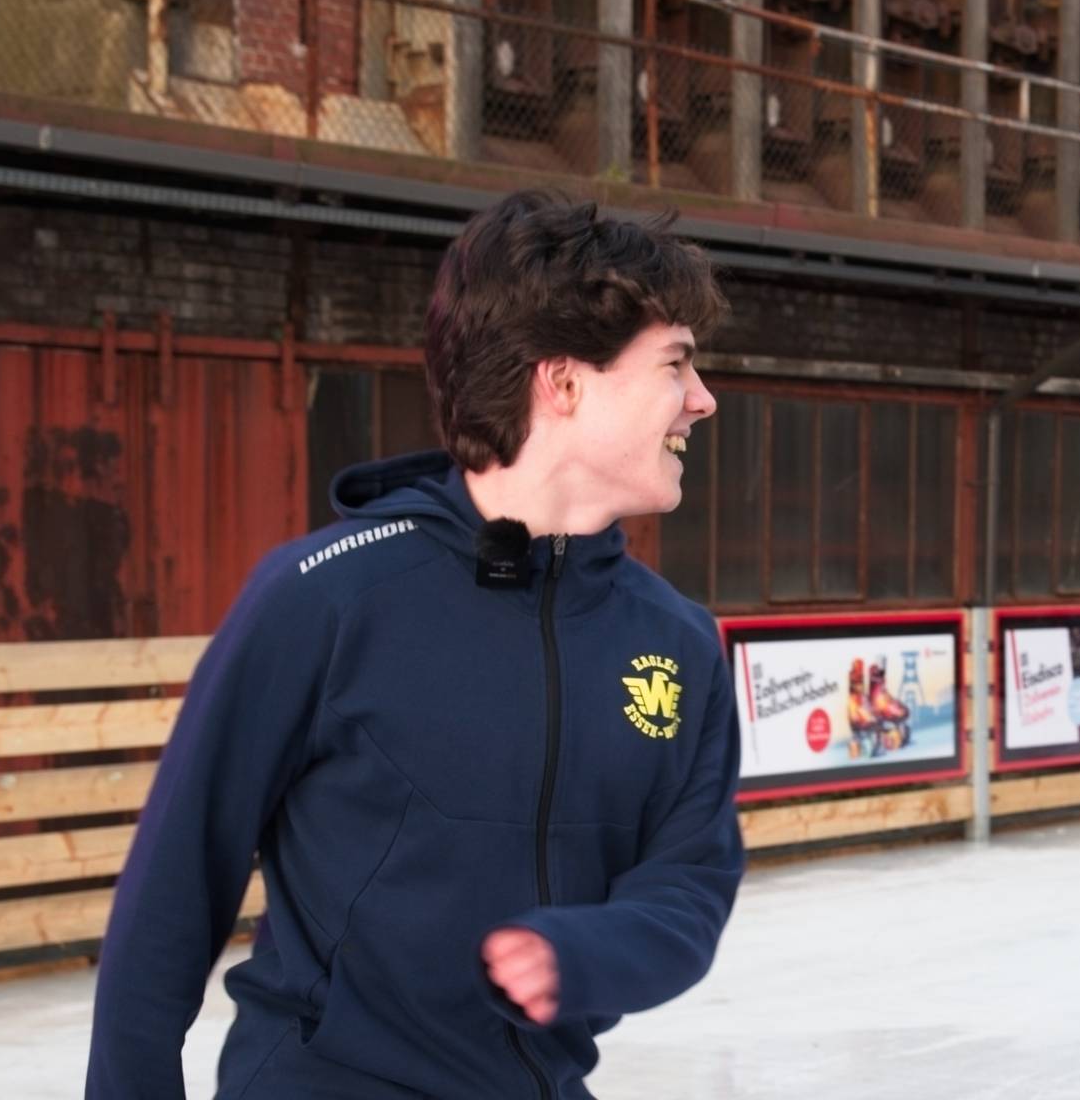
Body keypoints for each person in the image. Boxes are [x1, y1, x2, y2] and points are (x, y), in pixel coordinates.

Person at [87, 191, 740, 1099]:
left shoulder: (676, 643)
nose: (702, 401)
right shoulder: (327, 598)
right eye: (675, 364)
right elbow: (176, 884)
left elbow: (691, 887)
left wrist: (582, 953)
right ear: (562, 382)